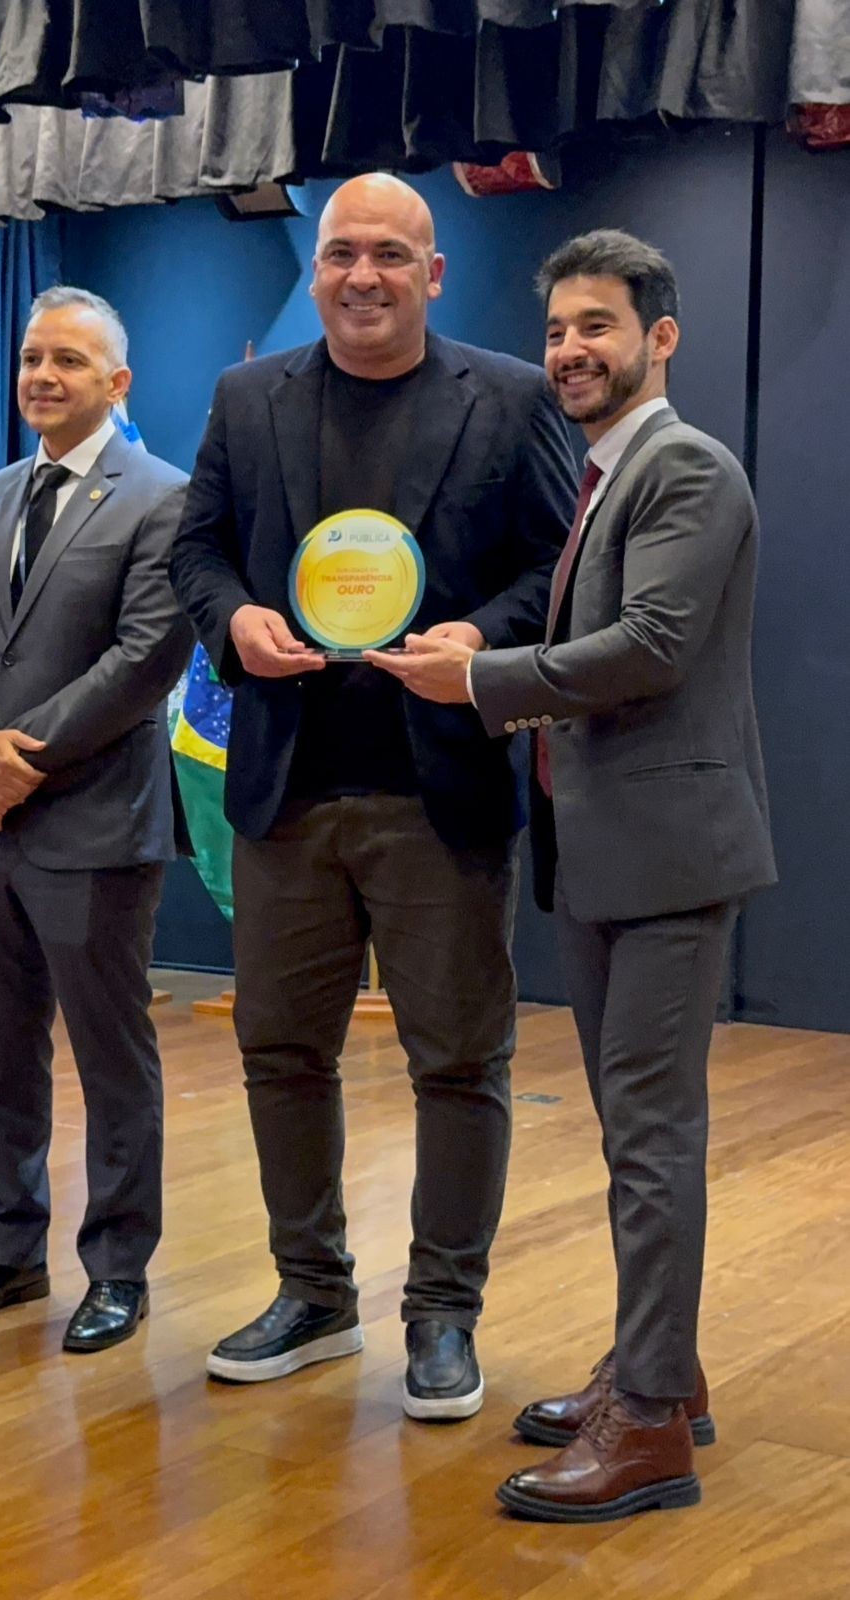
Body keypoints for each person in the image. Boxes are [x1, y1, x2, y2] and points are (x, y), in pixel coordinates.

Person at [168, 173, 576, 1413]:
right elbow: (196, 547)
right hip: (286, 788)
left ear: (432, 273)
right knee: (279, 1051)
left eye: (390, 255)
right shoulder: (247, 398)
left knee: (458, 1060)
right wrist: (234, 619)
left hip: (437, 790)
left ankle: (443, 1314)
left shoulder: (511, 397)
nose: (362, 275)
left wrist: (480, 634)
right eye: (342, 252)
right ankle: (313, 1295)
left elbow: (558, 564)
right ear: (317, 271)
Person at [391, 229, 776, 1520]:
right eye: (557, 329)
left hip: (667, 855)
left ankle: (650, 1424)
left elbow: (651, 646)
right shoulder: (614, 474)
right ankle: (660, 1366)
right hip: (612, 852)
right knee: (634, 1134)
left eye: (596, 326)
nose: (569, 351)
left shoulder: (685, 469)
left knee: (651, 1139)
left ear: (660, 338)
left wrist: (478, 679)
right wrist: (485, 659)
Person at [0, 286, 191, 1353]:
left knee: (111, 1057)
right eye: (33, 356)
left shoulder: (164, 498)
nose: (42, 375)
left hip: (94, 822)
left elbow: (146, 657)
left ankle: (118, 1269)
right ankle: (9, 1252)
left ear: (116, 383)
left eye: (68, 360)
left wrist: (14, 761)